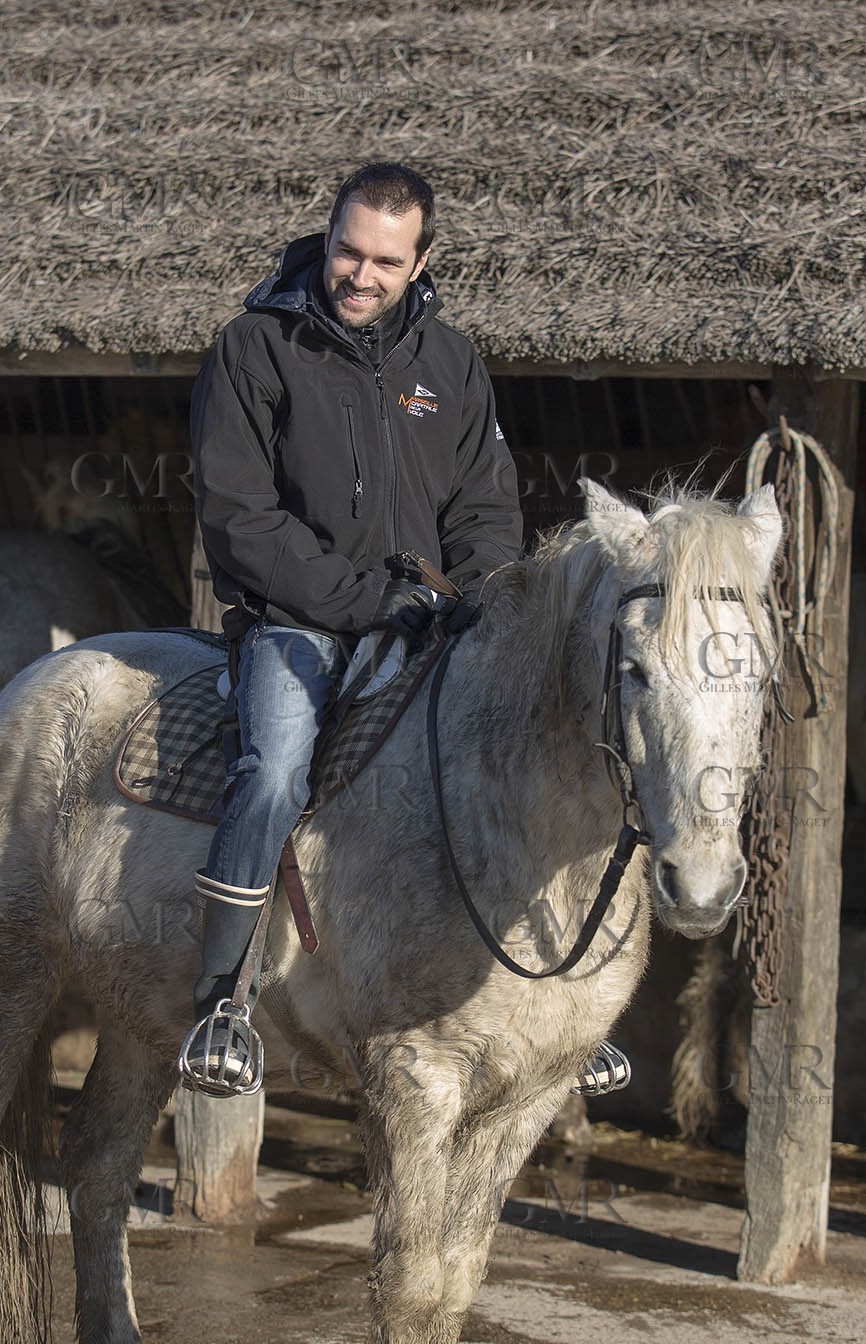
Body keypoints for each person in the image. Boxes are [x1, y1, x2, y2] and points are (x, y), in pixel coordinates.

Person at [180, 161, 523, 1093]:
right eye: (346, 251)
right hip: (298, 623)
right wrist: (367, 601)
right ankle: (220, 999)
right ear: (324, 237)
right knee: (276, 770)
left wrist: (477, 594)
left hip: (429, 618)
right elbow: (238, 517)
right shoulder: (256, 346)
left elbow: (486, 510)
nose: (359, 275)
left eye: (384, 260)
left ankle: (546, 1004)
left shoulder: (452, 363)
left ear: (421, 261)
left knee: (512, 748)